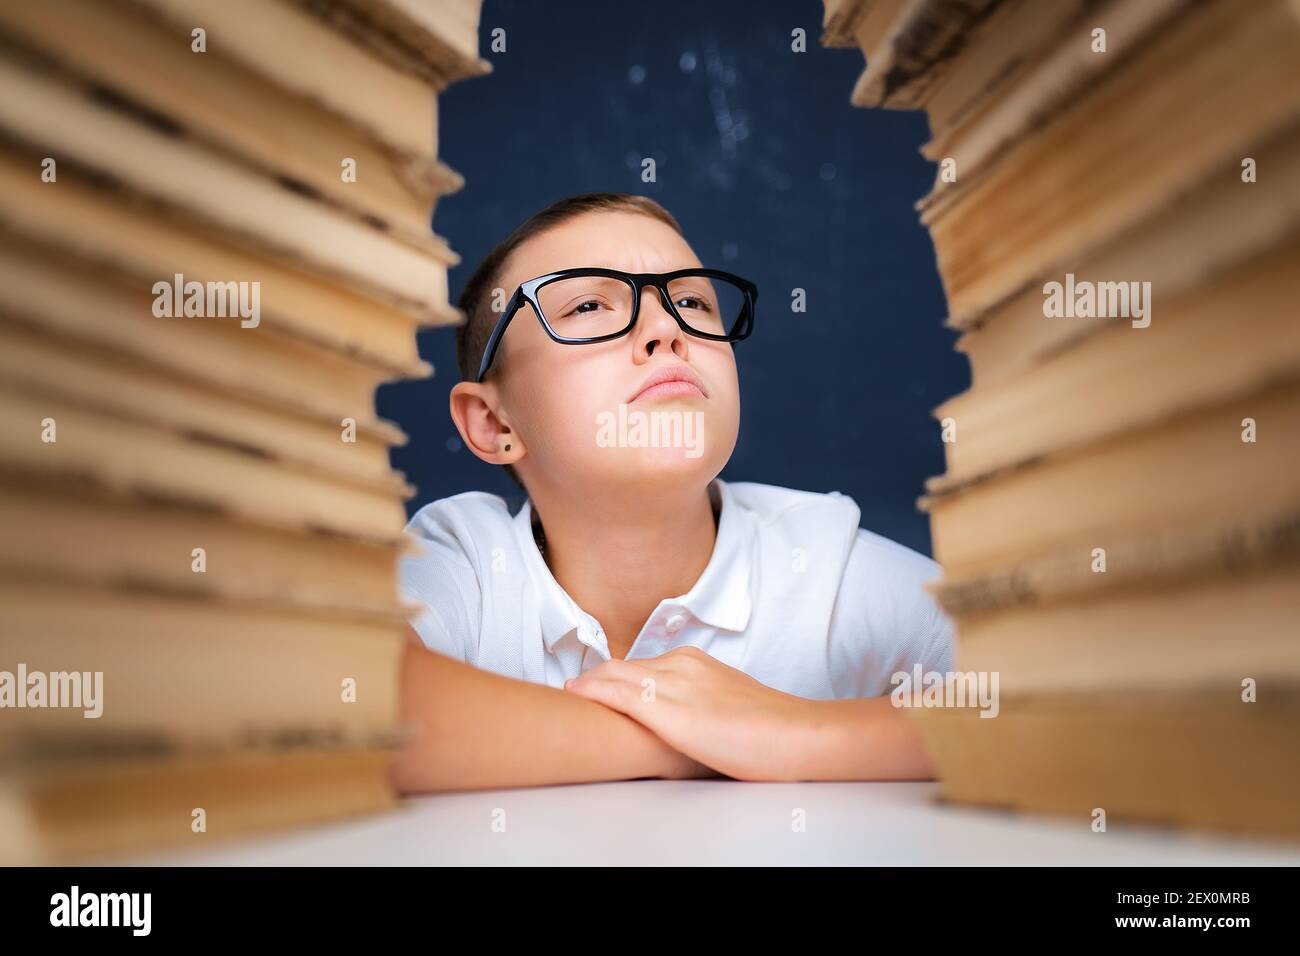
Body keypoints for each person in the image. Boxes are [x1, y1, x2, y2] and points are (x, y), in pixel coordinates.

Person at [391, 192, 953, 793]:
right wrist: (690, 739)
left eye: (690, 300)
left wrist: (795, 732)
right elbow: (341, 698)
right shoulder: (466, 563)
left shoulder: (825, 567)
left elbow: (1051, 700)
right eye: (587, 304)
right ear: (494, 424)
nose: (665, 329)